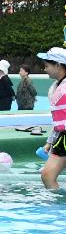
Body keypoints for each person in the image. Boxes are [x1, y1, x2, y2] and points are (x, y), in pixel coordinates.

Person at [37, 47, 66, 189]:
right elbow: (58, 121)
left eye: (47, 65)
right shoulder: (56, 87)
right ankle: (58, 209)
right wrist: (50, 142)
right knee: (47, 176)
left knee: (47, 175)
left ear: (58, 65)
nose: (45, 69)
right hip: (62, 137)